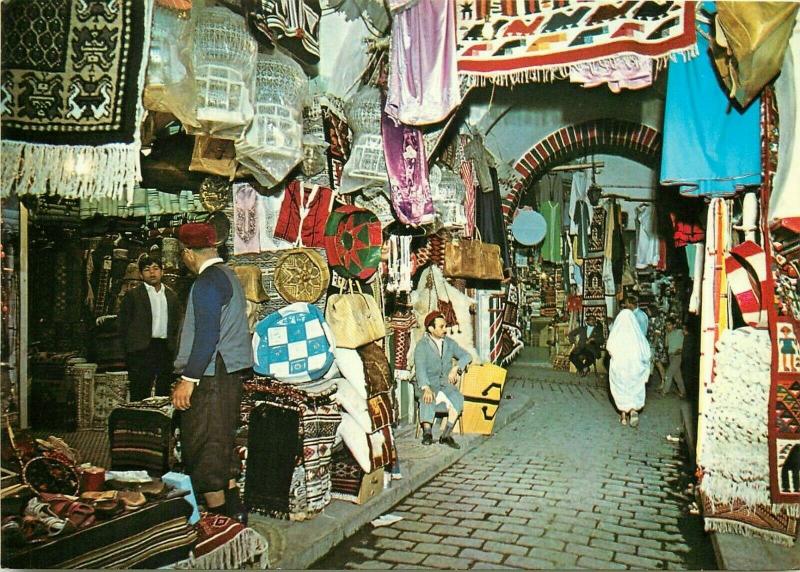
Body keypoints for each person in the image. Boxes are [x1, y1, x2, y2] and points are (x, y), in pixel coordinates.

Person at [172, 222, 253, 523]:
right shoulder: (228, 275)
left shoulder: (206, 282)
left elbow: (206, 336)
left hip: (211, 375)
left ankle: (220, 524)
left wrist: (187, 381)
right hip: (227, 374)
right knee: (221, 443)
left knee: (204, 446)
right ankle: (235, 516)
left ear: (187, 254)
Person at [118, 254, 182, 402]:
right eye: (147, 269)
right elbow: (123, 324)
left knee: (164, 389)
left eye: (156, 268)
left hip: (165, 348)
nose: (152, 273)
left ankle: (160, 422)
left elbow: (177, 323)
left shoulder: (171, 296)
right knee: (140, 389)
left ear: (162, 271)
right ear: (141, 274)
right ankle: (138, 422)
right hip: (141, 348)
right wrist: (128, 350)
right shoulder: (133, 296)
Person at [414, 311, 472, 449]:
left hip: (445, 384)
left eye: (445, 326)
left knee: (458, 398)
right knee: (427, 398)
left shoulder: (450, 344)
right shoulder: (422, 346)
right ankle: (427, 433)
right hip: (428, 384)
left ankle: (446, 435)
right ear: (431, 329)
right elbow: (420, 369)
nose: (445, 330)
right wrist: (426, 387)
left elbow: (467, 356)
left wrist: (456, 368)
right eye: (441, 327)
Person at [607, 308, 652, 427]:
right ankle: (633, 411)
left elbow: (609, 348)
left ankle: (623, 417)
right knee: (633, 389)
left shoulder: (617, 333)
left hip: (620, 369)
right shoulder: (637, 335)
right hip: (634, 369)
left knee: (621, 389)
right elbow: (646, 352)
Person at [662, 318, 686, 397]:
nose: (667, 327)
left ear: (674, 325)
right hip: (671, 356)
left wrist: (680, 350)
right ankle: (683, 392)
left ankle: (665, 391)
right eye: (666, 325)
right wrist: (666, 334)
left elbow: (685, 339)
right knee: (677, 376)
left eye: (669, 325)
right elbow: (666, 345)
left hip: (677, 356)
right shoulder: (668, 334)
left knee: (668, 374)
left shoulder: (679, 332)